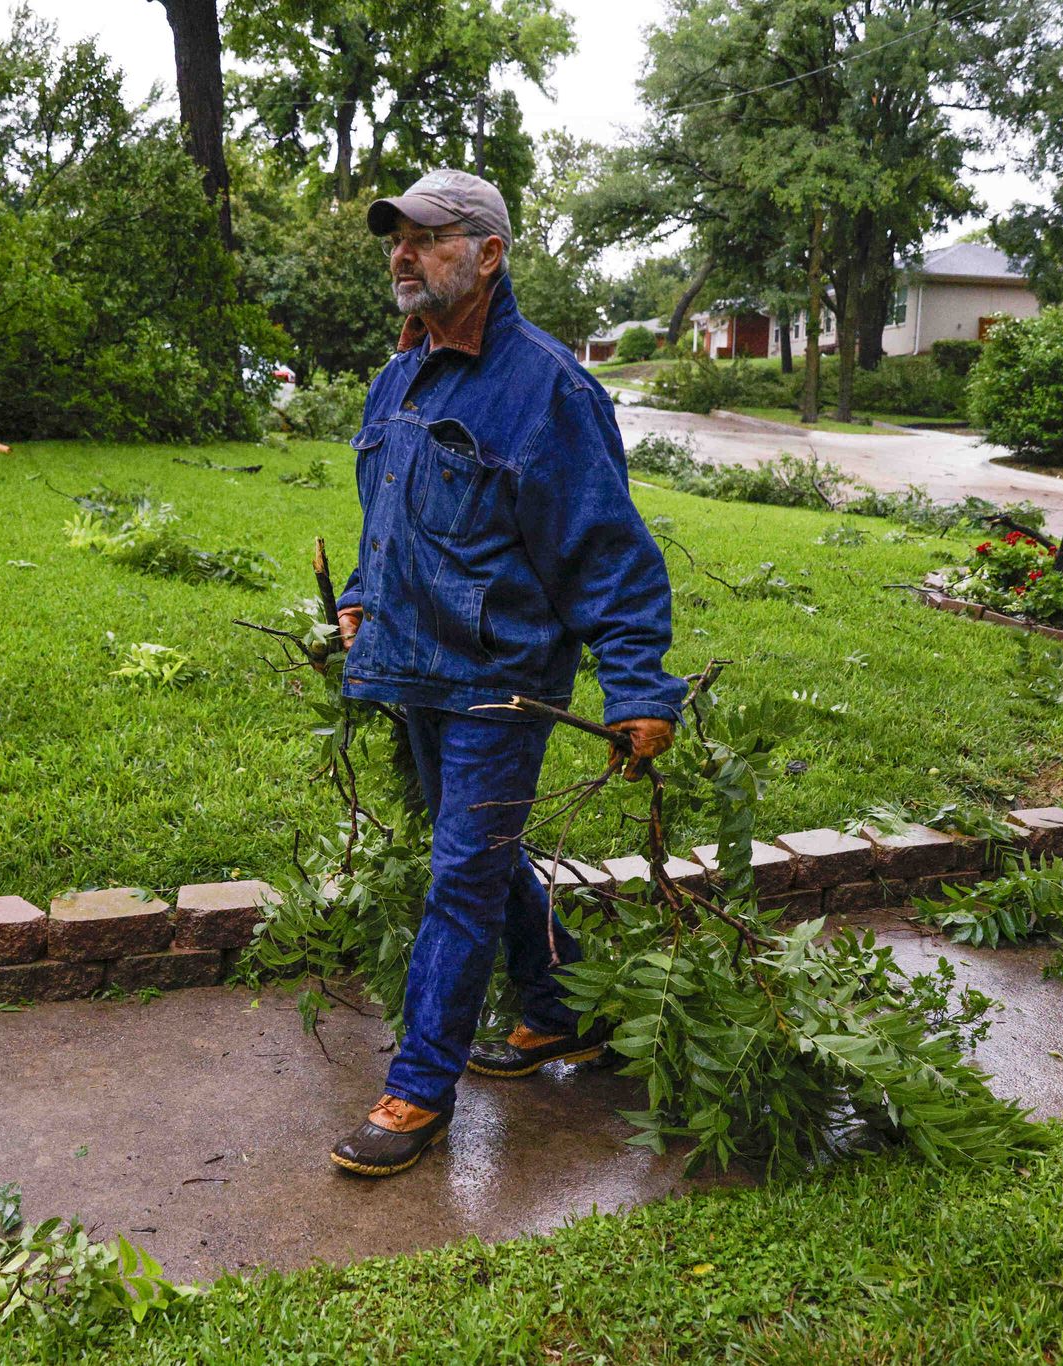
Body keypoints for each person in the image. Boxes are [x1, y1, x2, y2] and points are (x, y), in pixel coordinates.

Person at [326, 168, 685, 1178]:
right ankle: (559, 1007)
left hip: (500, 679)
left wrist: (638, 688)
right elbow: (387, 510)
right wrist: (360, 592)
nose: (403, 255)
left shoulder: (548, 389)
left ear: (488, 254)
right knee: (482, 854)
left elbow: (604, 550)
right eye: (396, 239)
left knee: (461, 876)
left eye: (427, 237)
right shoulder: (401, 375)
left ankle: (418, 1088)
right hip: (413, 665)